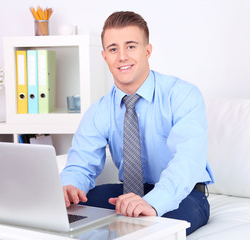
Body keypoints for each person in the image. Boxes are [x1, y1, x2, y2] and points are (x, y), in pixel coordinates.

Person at [60, 11, 214, 235]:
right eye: (113, 49)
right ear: (105, 56)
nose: (122, 56)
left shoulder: (183, 95)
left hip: (184, 194)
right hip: (129, 193)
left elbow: (187, 162)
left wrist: (153, 202)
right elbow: (80, 165)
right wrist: (70, 188)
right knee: (68, 214)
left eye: (131, 46)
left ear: (147, 51)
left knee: (145, 231)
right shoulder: (99, 110)